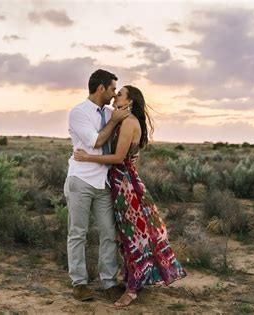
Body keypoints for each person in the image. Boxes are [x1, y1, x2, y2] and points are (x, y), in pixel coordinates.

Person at [74, 85, 187, 307]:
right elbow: (131, 156)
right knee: (129, 236)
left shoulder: (128, 123)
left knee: (134, 237)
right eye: (115, 91)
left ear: (130, 101)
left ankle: (133, 290)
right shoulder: (127, 121)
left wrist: (87, 158)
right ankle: (134, 280)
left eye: (120, 93)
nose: (116, 95)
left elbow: (118, 158)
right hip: (122, 182)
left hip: (125, 186)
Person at [64, 69, 130, 302]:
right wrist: (114, 121)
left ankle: (109, 282)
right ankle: (79, 283)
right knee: (78, 233)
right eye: (112, 89)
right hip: (81, 180)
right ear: (100, 87)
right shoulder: (79, 112)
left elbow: (128, 125)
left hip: (103, 182)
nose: (114, 95)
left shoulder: (112, 112)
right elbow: (96, 141)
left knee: (109, 233)